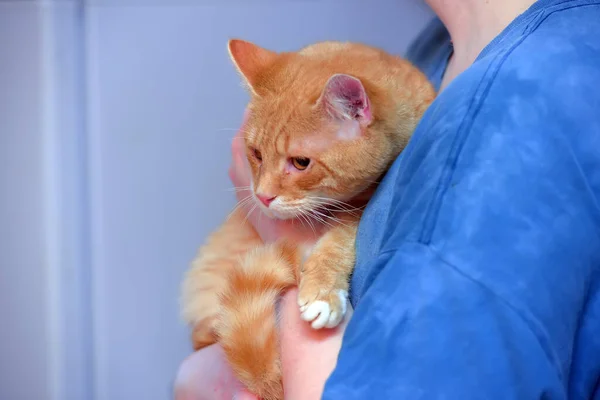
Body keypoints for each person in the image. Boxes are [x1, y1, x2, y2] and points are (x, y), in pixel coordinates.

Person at [175, 0, 600, 398]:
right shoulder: (436, 52)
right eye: (257, 156)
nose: (261, 191)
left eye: (297, 162)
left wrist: (288, 238)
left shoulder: (506, 106)